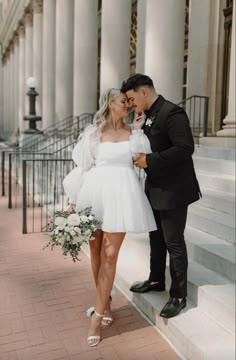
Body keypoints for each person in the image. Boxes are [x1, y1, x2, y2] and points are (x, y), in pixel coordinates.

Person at [63, 88, 157, 347]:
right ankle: (105, 302)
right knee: (95, 251)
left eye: (129, 101)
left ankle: (98, 315)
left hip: (123, 195)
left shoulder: (134, 133)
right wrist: (74, 199)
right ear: (109, 104)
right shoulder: (93, 133)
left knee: (111, 254)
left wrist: (138, 131)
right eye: (123, 101)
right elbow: (82, 167)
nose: (128, 105)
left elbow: (142, 159)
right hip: (95, 193)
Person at [121, 74, 201, 319]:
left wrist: (150, 160)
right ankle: (156, 280)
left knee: (173, 241)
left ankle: (179, 295)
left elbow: (185, 148)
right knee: (155, 237)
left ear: (144, 91)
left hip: (174, 190)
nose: (131, 104)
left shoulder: (172, 113)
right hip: (155, 187)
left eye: (132, 99)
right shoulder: (148, 115)